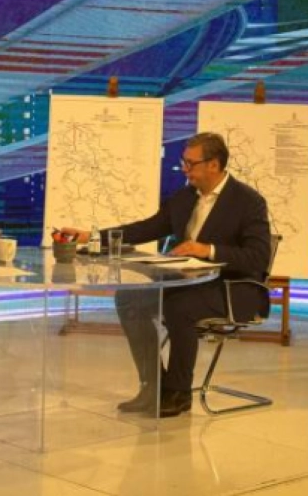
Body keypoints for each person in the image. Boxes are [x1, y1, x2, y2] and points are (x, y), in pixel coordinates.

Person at [63, 132, 271, 417]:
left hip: (233, 288)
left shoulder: (248, 201)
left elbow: (258, 257)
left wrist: (207, 249)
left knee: (179, 305)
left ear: (214, 164)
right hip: (188, 284)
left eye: (191, 163)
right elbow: (145, 228)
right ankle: (154, 387)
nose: (184, 169)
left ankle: (178, 393)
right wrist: (92, 236)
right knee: (129, 299)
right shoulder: (185, 198)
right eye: (184, 162)